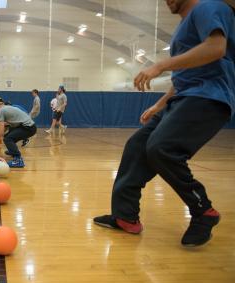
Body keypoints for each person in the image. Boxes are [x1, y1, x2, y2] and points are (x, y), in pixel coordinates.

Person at [93, 0, 234, 247]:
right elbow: (185, 75)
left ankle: (203, 211)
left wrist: (159, 65)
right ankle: (126, 216)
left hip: (208, 97)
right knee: (137, 146)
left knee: (161, 148)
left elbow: (216, 48)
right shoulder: (184, 26)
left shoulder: (209, 7)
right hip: (181, 98)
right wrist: (159, 105)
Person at [0, 97, 37, 168]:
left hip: (27, 128)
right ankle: (13, 150)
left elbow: (1, 132)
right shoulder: (7, 107)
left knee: (7, 139)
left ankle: (18, 160)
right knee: (8, 136)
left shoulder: (1, 111)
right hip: (30, 127)